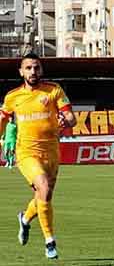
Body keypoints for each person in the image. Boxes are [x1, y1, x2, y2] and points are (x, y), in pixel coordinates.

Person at [0, 53, 77, 259]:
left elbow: (71, 117)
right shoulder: (12, 97)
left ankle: (25, 219)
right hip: (26, 152)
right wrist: (2, 139)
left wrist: (66, 121)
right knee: (43, 186)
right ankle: (49, 242)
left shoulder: (54, 90)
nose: (33, 71)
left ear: (41, 70)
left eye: (36, 67)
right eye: (28, 68)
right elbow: (3, 119)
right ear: (21, 72)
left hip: (51, 151)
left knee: (44, 196)